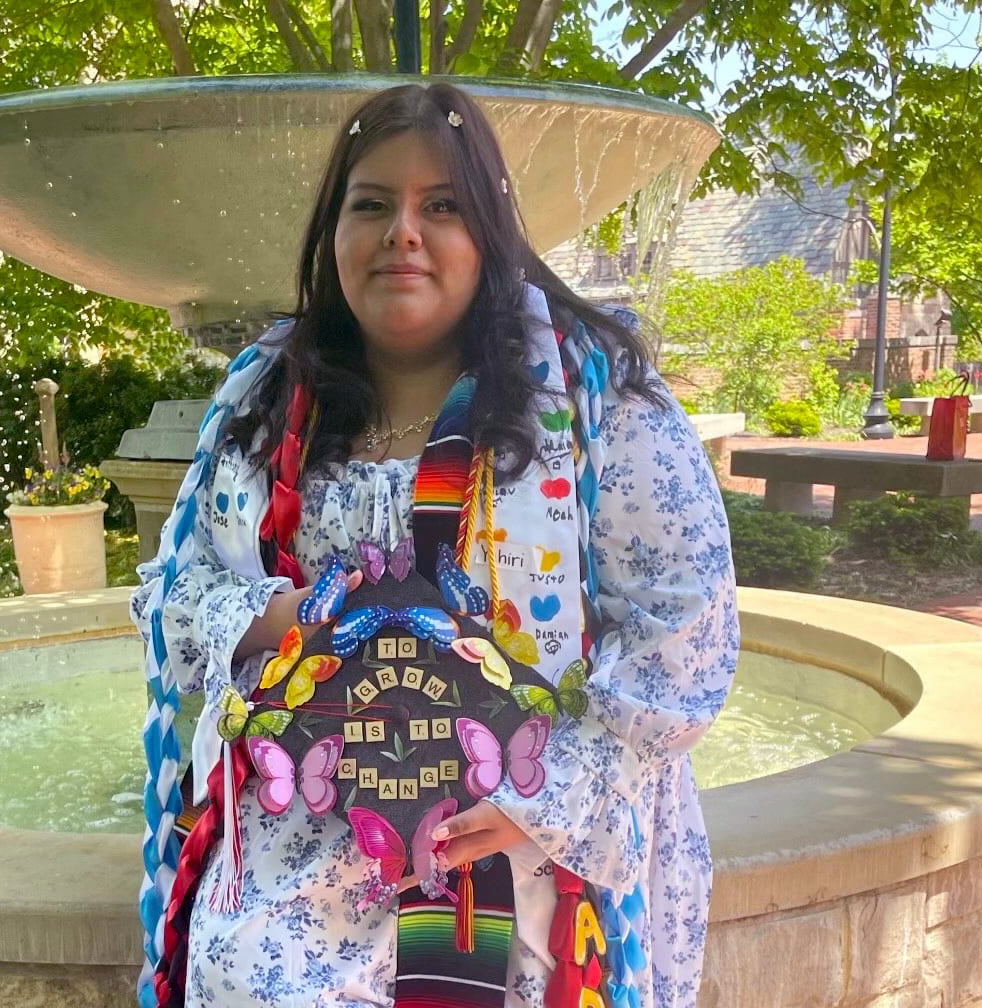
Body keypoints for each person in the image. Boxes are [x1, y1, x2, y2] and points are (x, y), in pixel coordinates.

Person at [132, 83, 737, 1008]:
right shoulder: (265, 400)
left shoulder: (593, 397)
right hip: (308, 841)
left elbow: (683, 628)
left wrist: (543, 798)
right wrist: (280, 617)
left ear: (490, 231)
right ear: (331, 233)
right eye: (370, 203)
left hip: (522, 840)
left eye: (441, 206)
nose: (401, 232)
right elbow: (173, 592)